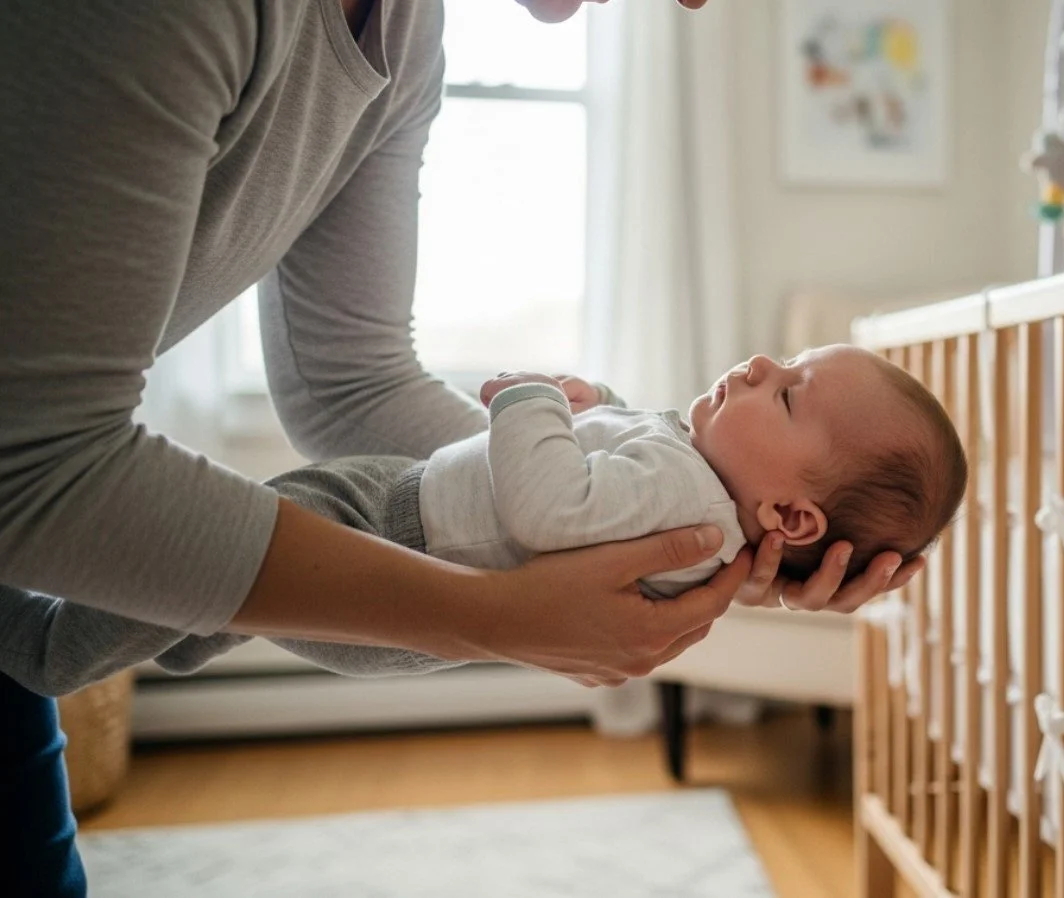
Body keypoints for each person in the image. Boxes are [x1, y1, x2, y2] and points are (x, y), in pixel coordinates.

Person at [0, 2, 920, 895]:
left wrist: (726, 559)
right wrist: (497, 613)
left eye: (789, 390)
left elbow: (348, 383)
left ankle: (105, 637)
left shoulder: (405, 28)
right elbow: (37, 464)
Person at [4, 346, 969, 695]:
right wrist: (600, 404)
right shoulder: (693, 471)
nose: (760, 365)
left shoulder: (693, 508)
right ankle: (166, 630)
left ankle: (49, 647)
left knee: (249, 531)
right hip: (411, 516)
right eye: (787, 361)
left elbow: (552, 509)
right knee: (218, 587)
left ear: (792, 515)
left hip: (405, 547)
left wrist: (530, 399)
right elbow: (621, 464)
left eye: (788, 393)